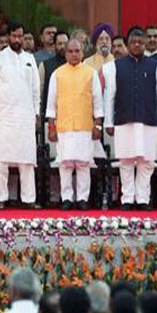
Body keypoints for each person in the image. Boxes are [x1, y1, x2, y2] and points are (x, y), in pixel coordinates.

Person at [103, 27, 157, 210]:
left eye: (140, 42)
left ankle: (143, 199)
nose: (137, 45)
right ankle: (127, 199)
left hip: (148, 120)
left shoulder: (154, 65)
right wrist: (109, 121)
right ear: (127, 44)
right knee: (126, 161)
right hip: (124, 120)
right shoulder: (117, 66)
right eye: (133, 42)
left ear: (145, 44)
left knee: (146, 162)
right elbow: (110, 96)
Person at [0, 22, 41, 209]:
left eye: (21, 36)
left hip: (26, 115)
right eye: (14, 36)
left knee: (27, 160)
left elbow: (35, 89)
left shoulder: (30, 59)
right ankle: (1, 198)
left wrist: (36, 113)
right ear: (8, 37)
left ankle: (28, 199)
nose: (18, 40)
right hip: (5, 115)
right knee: (1, 160)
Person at [46, 39, 104, 210]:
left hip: (85, 125)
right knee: (65, 164)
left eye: (77, 51)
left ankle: (83, 198)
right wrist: (51, 126)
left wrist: (98, 125)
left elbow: (97, 102)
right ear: (65, 53)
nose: (73, 54)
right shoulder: (57, 74)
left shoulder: (90, 73)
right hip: (63, 126)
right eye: (70, 51)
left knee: (83, 164)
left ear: (82, 52)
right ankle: (66, 198)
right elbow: (51, 103)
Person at [38, 31, 69, 115]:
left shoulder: (78, 65)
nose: (63, 47)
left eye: (65, 44)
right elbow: (40, 93)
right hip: (51, 114)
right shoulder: (45, 66)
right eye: (60, 44)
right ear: (54, 45)